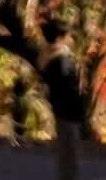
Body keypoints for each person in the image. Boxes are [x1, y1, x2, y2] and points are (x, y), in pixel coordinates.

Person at [40, 22, 90, 180]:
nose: (70, 39)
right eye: (68, 36)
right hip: (69, 111)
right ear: (60, 38)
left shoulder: (46, 58)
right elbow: (69, 88)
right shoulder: (63, 61)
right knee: (70, 152)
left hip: (60, 110)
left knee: (64, 151)